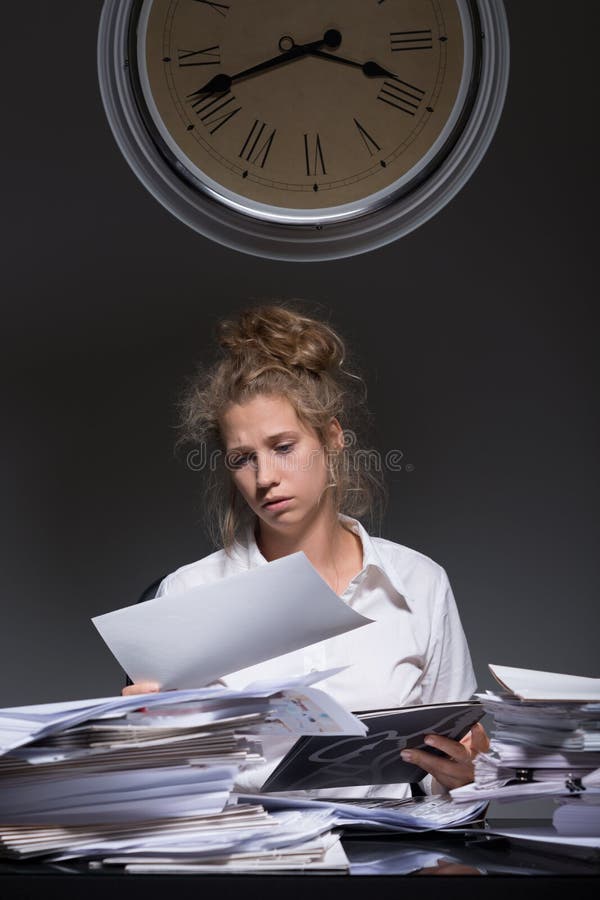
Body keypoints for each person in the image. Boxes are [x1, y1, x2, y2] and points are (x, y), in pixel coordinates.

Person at [124, 303, 488, 796]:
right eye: (242, 458)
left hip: (392, 857)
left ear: (332, 438)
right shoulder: (187, 593)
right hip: (247, 863)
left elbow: (458, 781)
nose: (265, 476)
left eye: (283, 446)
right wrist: (140, 739)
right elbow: (163, 792)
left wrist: (469, 774)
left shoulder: (420, 583)